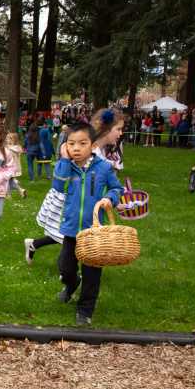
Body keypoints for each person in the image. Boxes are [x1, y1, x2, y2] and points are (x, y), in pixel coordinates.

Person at [53, 122, 124, 325]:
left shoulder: (104, 167)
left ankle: (84, 310)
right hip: (71, 228)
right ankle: (72, 283)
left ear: (93, 146)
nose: (76, 148)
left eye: (82, 143)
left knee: (91, 272)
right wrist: (64, 161)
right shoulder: (67, 167)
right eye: (71, 143)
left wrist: (110, 198)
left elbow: (117, 189)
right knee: (65, 268)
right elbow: (57, 184)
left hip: (93, 232)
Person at [5, 132, 26, 199]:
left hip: (10, 168)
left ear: (12, 140)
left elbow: (7, 159)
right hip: (16, 168)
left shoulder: (10, 150)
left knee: (7, 181)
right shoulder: (18, 148)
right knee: (10, 181)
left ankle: (9, 195)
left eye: (8, 139)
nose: (6, 140)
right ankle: (21, 190)